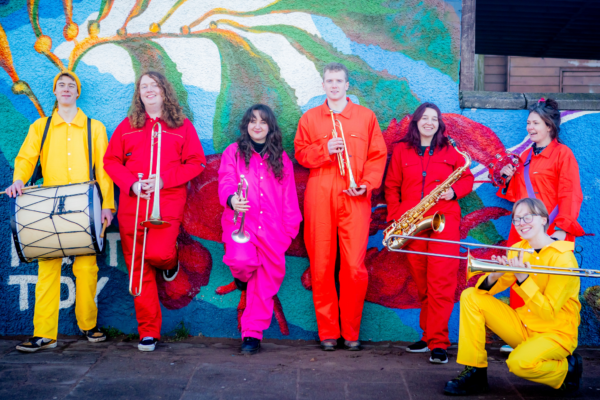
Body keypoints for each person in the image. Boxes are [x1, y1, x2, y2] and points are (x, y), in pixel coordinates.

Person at [6, 71, 115, 352]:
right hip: (47, 208)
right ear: (55, 92)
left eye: (71, 86)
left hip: (85, 207)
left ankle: (88, 325)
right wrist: (19, 179)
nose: (66, 89)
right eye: (61, 86)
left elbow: (104, 169)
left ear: (77, 93)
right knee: (47, 270)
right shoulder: (40, 127)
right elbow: (27, 158)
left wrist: (107, 205)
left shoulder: (95, 127)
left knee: (87, 269)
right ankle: (44, 334)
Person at [104, 71, 206, 352]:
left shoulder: (182, 126)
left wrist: (164, 179)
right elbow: (111, 162)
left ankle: (171, 264)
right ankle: (148, 331)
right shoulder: (127, 126)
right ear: (139, 94)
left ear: (164, 91)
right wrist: (132, 184)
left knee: (158, 254)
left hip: (168, 203)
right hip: (133, 205)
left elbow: (196, 163)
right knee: (138, 269)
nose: (148, 90)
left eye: (154, 85)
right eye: (143, 86)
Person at [444, 198, 582, 396]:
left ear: (544, 220)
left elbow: (548, 312)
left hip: (555, 334)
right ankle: (475, 372)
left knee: (518, 363)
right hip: (524, 326)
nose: (521, 223)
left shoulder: (563, 259)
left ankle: (567, 370)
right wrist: (495, 274)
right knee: (471, 295)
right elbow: (484, 292)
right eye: (517, 219)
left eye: (527, 217)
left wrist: (523, 279)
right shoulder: (519, 249)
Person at [294, 62, 387, 351]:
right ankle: (328, 333)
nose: (334, 85)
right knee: (321, 266)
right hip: (320, 193)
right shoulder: (310, 118)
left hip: (355, 196)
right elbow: (300, 153)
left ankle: (351, 332)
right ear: (323, 85)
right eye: (329, 81)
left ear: (347, 85)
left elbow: (377, 156)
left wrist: (367, 184)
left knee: (354, 268)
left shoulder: (365, 117)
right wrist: (324, 149)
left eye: (339, 81)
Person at [384, 102, 474, 364]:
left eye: (434, 119)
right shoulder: (401, 150)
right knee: (421, 279)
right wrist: (397, 216)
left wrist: (455, 192)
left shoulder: (451, 150)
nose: (429, 122)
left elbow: (467, 177)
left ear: (439, 124)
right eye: (425, 118)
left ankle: (439, 342)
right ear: (416, 122)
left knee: (441, 281)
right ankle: (428, 335)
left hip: (444, 221)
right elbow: (391, 186)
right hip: (413, 224)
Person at [497, 98, 584, 352]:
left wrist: (562, 228)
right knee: (519, 275)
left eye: (535, 123)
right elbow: (515, 195)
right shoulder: (523, 157)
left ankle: (547, 338)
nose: (530, 127)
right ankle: (520, 333)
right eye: (528, 123)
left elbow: (570, 193)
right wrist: (504, 176)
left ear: (549, 126)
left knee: (547, 284)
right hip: (522, 228)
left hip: (552, 229)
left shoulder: (562, 154)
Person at [218, 104, 302, 355]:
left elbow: (289, 198)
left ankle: (251, 335)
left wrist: (289, 232)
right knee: (241, 261)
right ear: (246, 125)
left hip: (273, 231)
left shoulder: (281, 158)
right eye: (253, 121)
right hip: (241, 225)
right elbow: (226, 180)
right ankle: (241, 279)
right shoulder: (232, 152)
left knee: (264, 285)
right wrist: (232, 199)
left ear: (270, 127)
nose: (257, 125)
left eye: (263, 122)